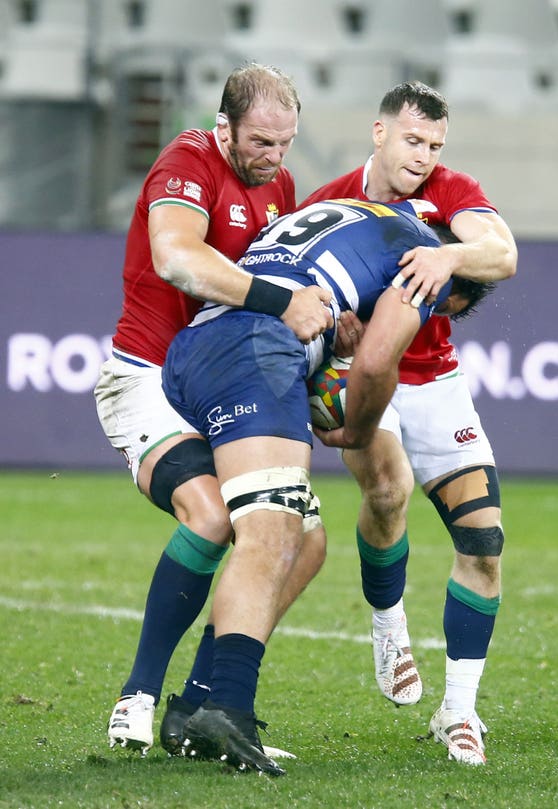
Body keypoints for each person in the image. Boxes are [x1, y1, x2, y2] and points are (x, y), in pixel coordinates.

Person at [160, 197, 493, 775]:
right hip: (256, 353)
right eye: (444, 308)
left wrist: (332, 335)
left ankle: (194, 705)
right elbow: (374, 364)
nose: (430, 318)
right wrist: (356, 432)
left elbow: (305, 281)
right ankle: (228, 709)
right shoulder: (426, 262)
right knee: (271, 533)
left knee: (304, 543)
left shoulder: (355, 213)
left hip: (201, 345)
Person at [94, 63, 333, 757]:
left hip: (220, 383)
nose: (275, 158)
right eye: (261, 141)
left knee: (303, 541)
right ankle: (138, 692)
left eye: (286, 143)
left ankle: (199, 706)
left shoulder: (277, 186)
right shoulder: (187, 161)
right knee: (213, 514)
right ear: (223, 126)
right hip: (145, 380)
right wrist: (279, 300)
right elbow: (175, 257)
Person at [301, 81, 518, 765]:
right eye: (413, 140)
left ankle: (458, 709)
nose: (423, 155)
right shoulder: (328, 204)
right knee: (388, 489)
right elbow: (293, 293)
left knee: (484, 541)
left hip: (436, 383)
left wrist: (446, 253)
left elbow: (503, 253)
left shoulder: (450, 192)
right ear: (379, 132)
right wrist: (329, 325)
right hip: (365, 378)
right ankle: (388, 624)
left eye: (434, 145)